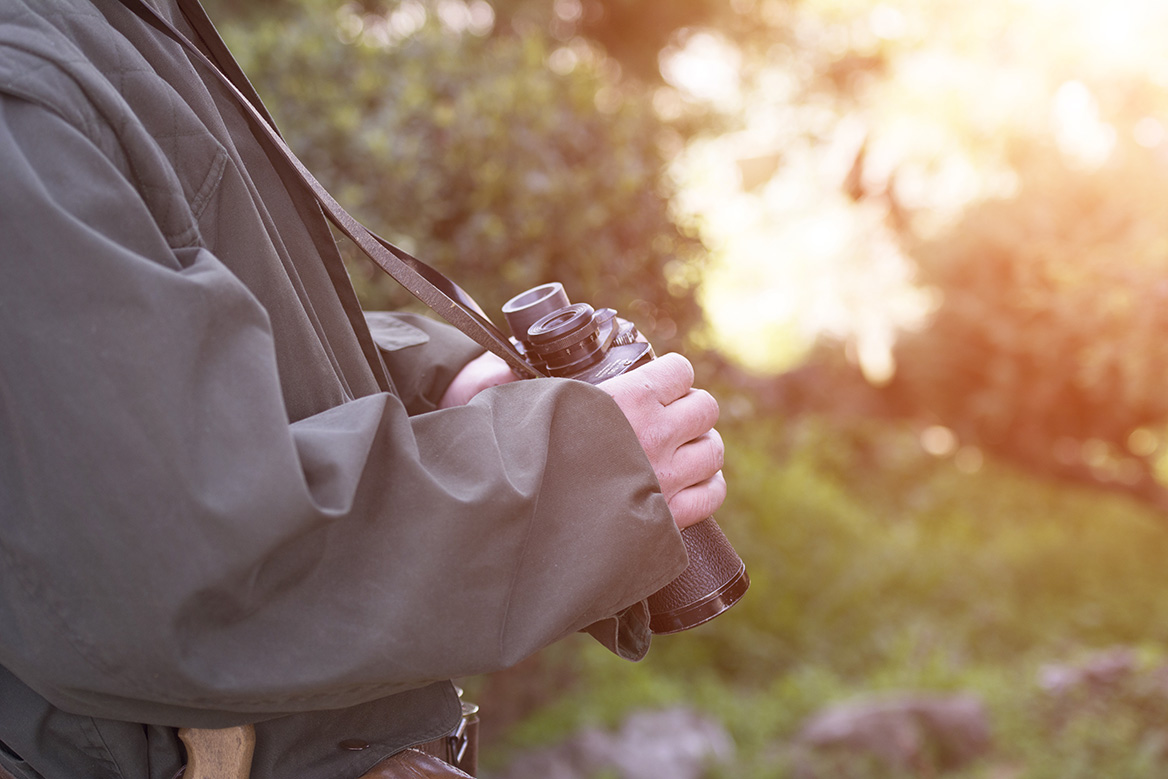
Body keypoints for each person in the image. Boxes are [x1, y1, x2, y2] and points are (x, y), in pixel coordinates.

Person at [0, 0, 727, 778]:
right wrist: (572, 473)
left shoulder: (110, 20)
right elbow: (165, 555)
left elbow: (139, 346)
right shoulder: (26, 73)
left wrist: (433, 374)